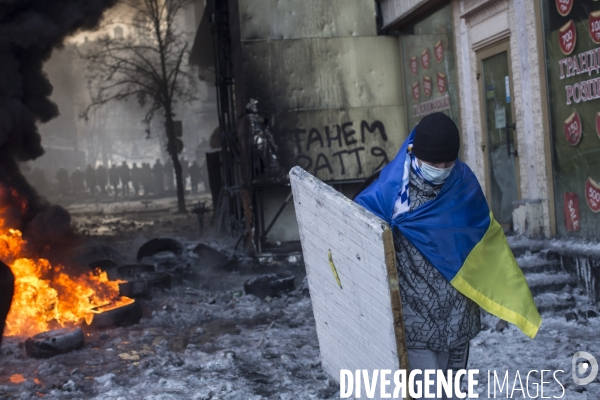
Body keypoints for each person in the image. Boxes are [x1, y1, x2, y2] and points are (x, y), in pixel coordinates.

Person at [355, 112, 540, 398]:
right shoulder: (389, 197)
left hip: (458, 321)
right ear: (415, 153)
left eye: (448, 163)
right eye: (434, 163)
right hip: (415, 325)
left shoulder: (462, 183)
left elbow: (482, 237)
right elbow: (355, 242)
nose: (441, 169)